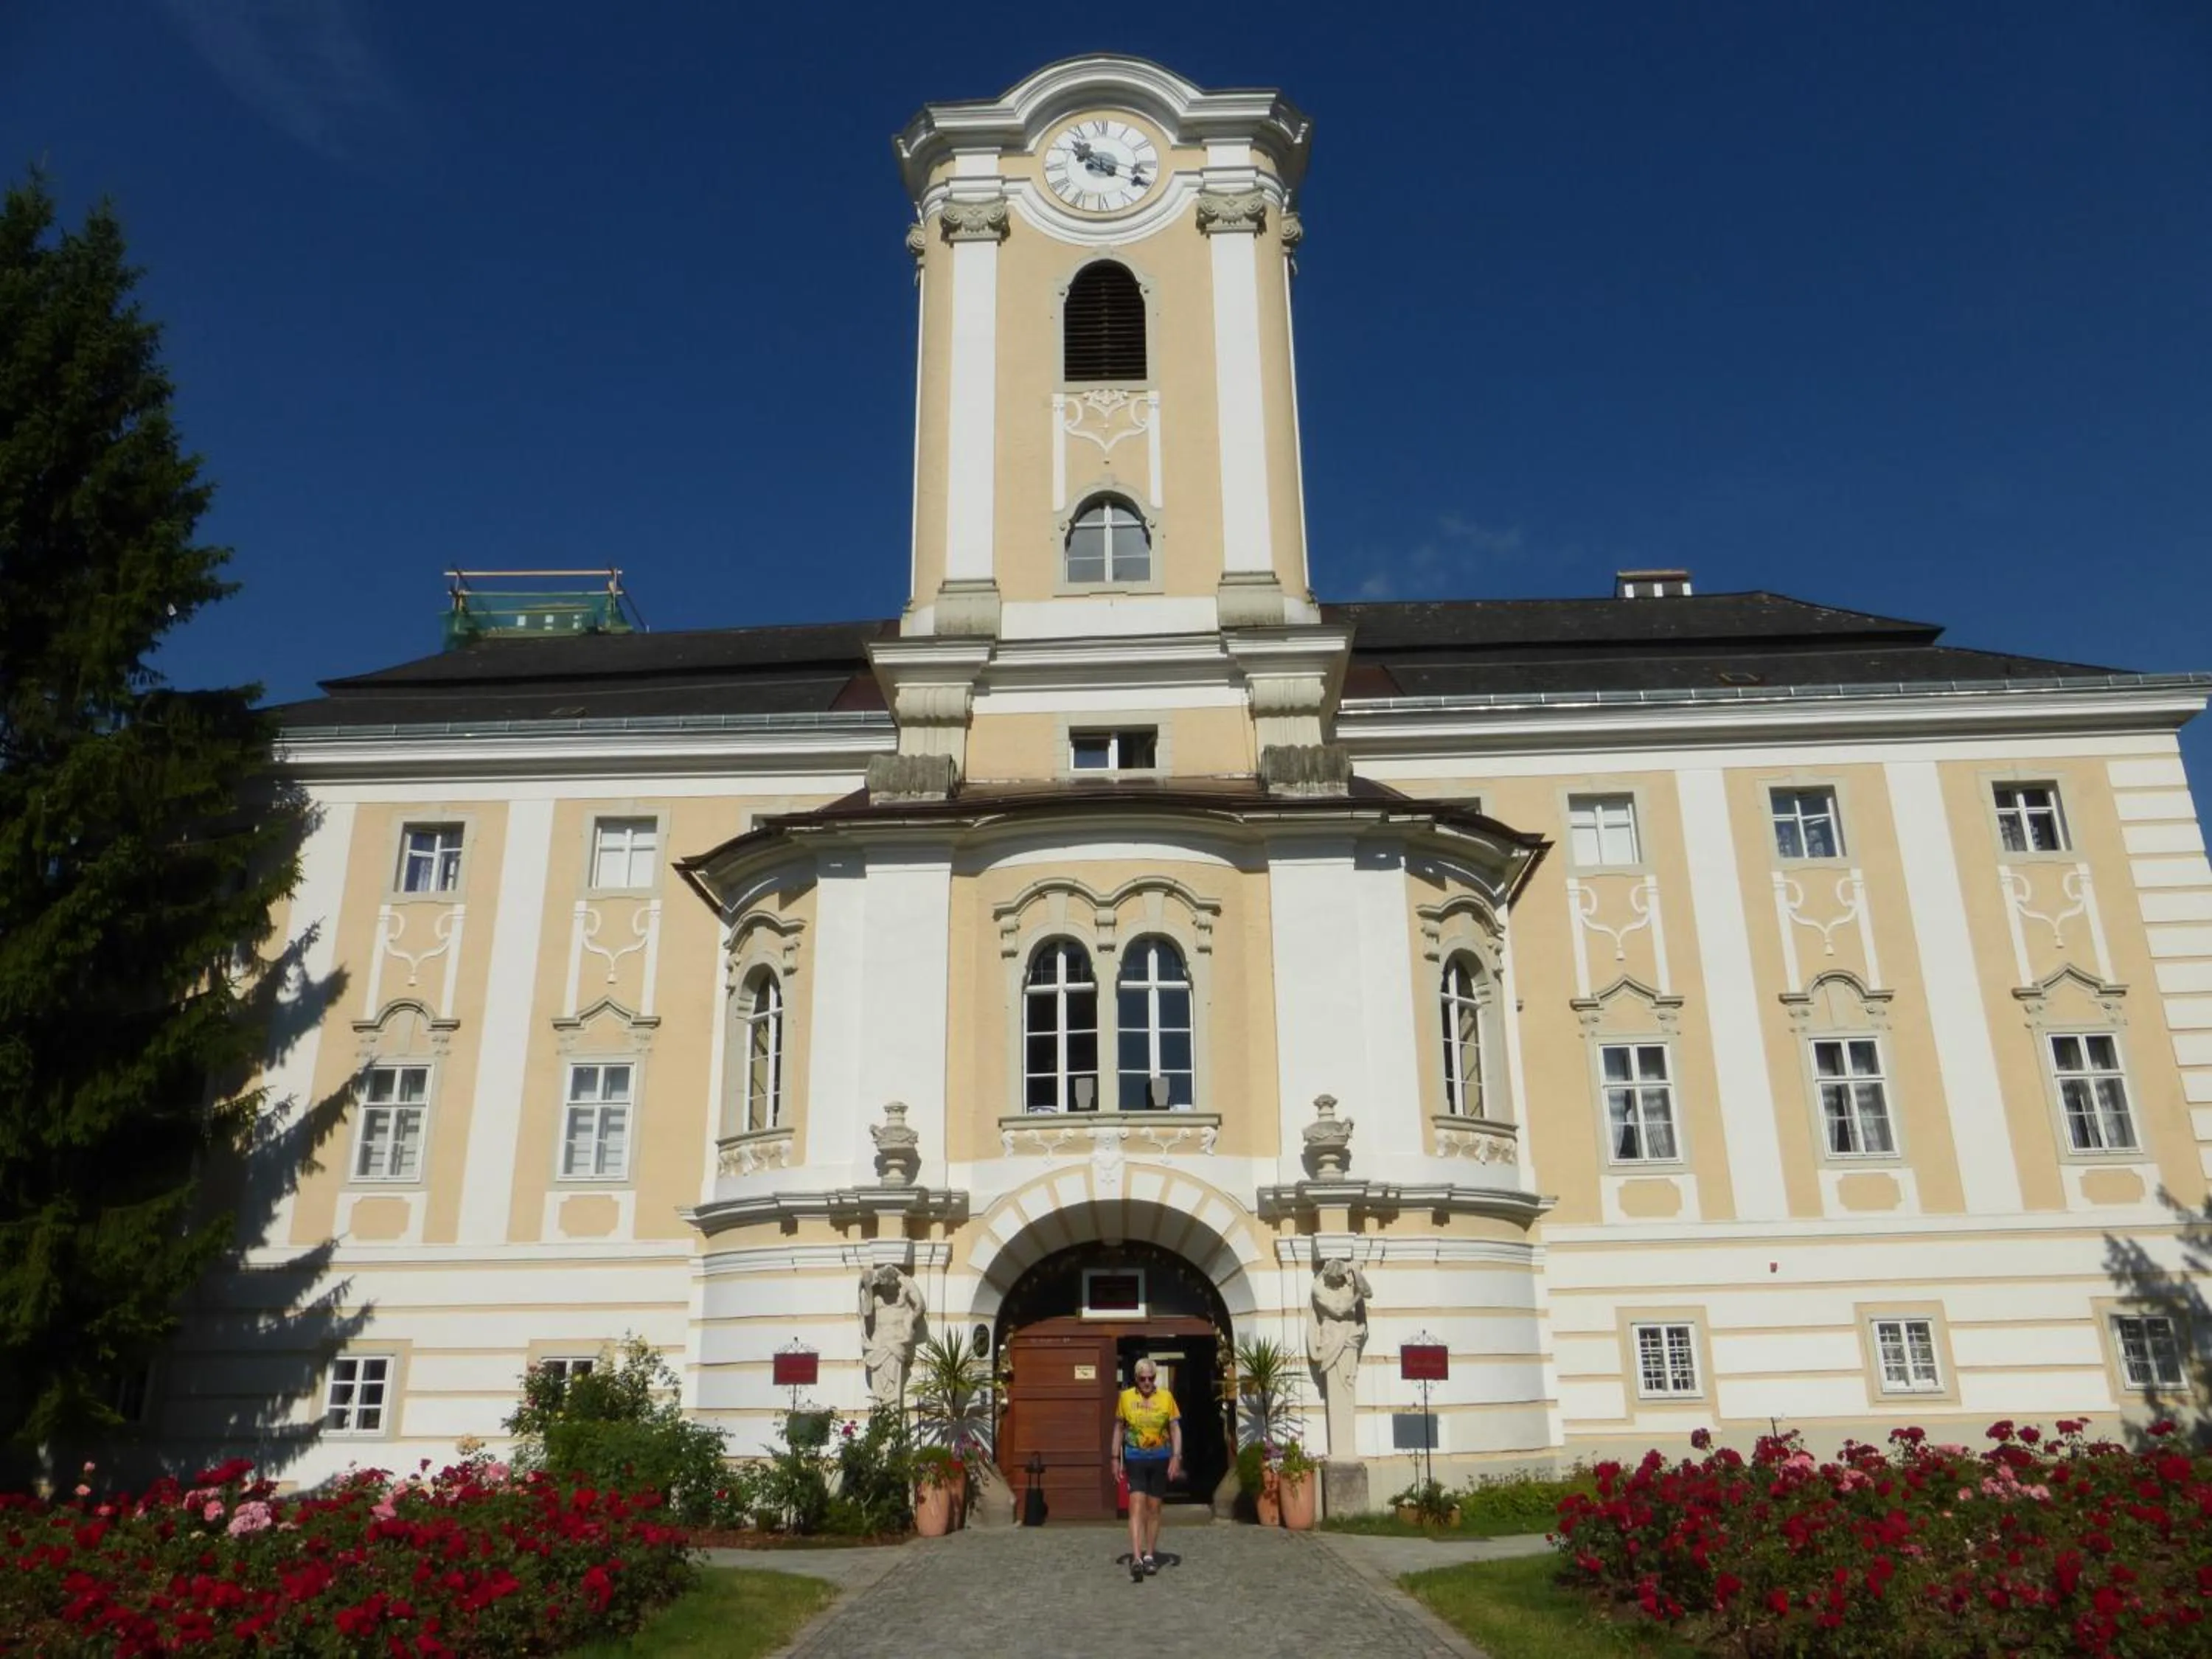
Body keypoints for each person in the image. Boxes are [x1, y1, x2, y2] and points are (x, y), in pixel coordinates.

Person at [1109, 1357, 1181, 1582]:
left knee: (1154, 1507)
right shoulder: (1126, 1398)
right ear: (1136, 1379)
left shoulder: (1166, 1398)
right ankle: (1137, 1558)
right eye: (1143, 1379)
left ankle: (1150, 1555)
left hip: (1160, 1457)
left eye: (1151, 1378)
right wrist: (1114, 1458)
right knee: (1136, 1505)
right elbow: (1119, 1428)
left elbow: (1175, 1428)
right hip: (1135, 1457)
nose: (1147, 1383)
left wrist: (1176, 1456)